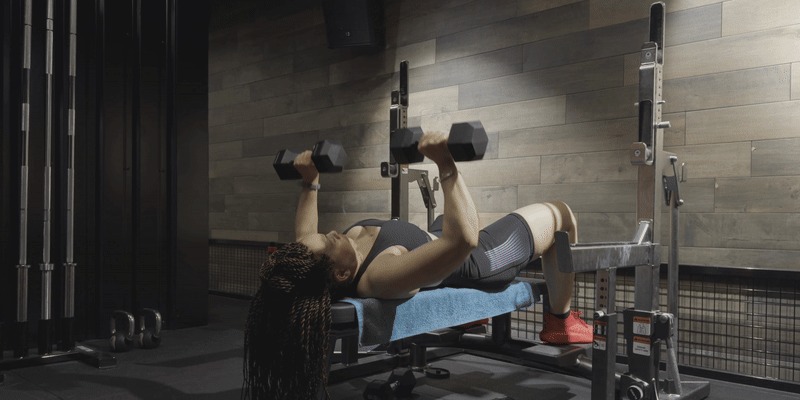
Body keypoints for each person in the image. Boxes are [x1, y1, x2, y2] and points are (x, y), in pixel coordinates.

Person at [242, 131, 592, 400]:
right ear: (342, 275)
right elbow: (464, 241)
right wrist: (447, 165)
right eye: (332, 240)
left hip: (437, 234)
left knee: (450, 215)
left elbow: (306, 235)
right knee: (561, 214)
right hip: (479, 257)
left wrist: (310, 180)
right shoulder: (380, 275)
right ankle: (560, 321)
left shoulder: (319, 260)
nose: (333, 232)